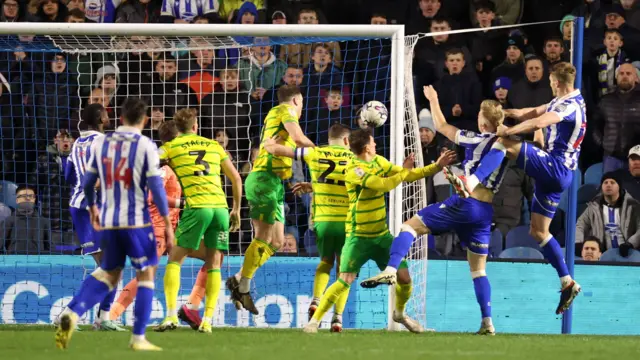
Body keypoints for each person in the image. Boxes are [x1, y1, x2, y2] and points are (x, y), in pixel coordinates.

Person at [360, 86, 509, 335]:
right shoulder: (507, 145)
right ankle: (487, 322)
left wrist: (434, 99)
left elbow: (441, 126)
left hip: (465, 201)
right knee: (478, 270)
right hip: (484, 211)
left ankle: (390, 270)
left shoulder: (475, 138)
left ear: (483, 122)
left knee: (410, 226)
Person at [447, 62, 584, 315]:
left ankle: (472, 181)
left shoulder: (568, 105)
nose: (550, 86)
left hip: (555, 166)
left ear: (560, 83)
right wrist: (505, 112)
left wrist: (507, 129)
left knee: (504, 143)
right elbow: (531, 111)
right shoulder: (565, 98)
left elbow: (539, 121)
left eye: (552, 83)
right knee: (538, 232)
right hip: (557, 174)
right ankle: (567, 281)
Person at [302, 128, 456, 334]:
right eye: (373, 143)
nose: (376, 145)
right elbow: (382, 185)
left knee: (404, 278)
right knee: (345, 279)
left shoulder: (379, 161)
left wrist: (436, 166)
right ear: (366, 147)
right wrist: (403, 171)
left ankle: (400, 314)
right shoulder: (353, 169)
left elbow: (410, 175)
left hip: (381, 236)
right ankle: (314, 322)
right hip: (358, 237)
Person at [55, 98, 174, 351]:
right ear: (143, 120)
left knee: (108, 271)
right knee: (147, 272)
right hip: (135, 219)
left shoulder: (104, 144)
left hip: (107, 218)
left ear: (120, 119)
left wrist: (93, 207)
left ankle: (73, 313)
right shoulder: (146, 145)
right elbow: (155, 187)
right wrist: (166, 222)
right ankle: (138, 338)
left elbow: (87, 182)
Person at [226, 85, 315, 315]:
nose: (302, 107)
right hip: (263, 179)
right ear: (295, 100)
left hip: (275, 183)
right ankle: (243, 287)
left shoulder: (277, 115)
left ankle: (237, 279)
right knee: (262, 237)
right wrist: (321, 153)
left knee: (276, 241)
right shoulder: (286, 110)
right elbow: (298, 137)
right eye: (302, 102)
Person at [109, 120, 207, 328]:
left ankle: (191, 306)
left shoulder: (169, 168)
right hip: (158, 229)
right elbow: (153, 196)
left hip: (173, 229)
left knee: (213, 256)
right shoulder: (163, 169)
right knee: (147, 274)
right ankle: (111, 315)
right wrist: (184, 202)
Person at [155, 109, 242, 334]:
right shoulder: (215, 146)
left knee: (175, 258)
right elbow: (235, 177)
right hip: (221, 209)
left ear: (178, 128)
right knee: (214, 262)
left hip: (197, 207)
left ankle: (171, 315)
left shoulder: (171, 146)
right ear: (195, 127)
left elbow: (151, 161)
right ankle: (208, 321)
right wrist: (236, 209)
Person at [262, 123, 353, 332]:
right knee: (344, 271)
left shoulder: (314, 152)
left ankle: (316, 299)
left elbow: (280, 150)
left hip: (322, 220)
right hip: (347, 222)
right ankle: (337, 318)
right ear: (347, 141)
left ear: (330, 139)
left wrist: (269, 143)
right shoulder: (355, 159)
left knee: (325, 261)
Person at [59, 103, 125, 331]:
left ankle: (103, 318)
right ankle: (69, 314)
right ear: (100, 117)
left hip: (81, 206)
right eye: (106, 111)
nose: (109, 114)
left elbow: (68, 175)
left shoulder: (77, 142)